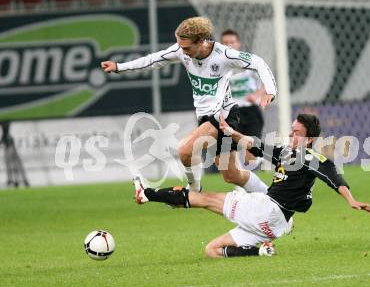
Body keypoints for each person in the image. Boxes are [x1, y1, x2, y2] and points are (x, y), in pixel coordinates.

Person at [132, 113, 370, 258]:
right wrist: (230, 131)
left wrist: (351, 200)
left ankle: (147, 194)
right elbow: (255, 144)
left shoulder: (310, 156)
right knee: (212, 250)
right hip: (273, 226)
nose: (292, 136)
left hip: (266, 209)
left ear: (310, 139)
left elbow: (332, 175)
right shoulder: (287, 152)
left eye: (297, 133)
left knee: (203, 198)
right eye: (291, 131)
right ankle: (259, 251)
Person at [101, 17, 276, 194]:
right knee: (232, 175)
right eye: (180, 46)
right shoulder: (181, 50)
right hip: (205, 117)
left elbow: (258, 62)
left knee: (185, 150)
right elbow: (153, 60)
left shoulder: (224, 54)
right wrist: (118, 66)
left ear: (201, 41)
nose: (182, 51)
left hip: (223, 116)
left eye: (186, 47)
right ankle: (270, 197)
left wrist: (270, 89)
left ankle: (194, 190)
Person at [220, 29, 265, 173]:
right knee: (231, 150)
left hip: (251, 111)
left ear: (238, 44)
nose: (229, 45)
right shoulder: (218, 67)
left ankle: (257, 159)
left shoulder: (250, 63)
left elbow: (265, 85)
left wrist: (257, 96)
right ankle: (240, 186)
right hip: (232, 112)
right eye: (225, 43)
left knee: (250, 154)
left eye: (232, 42)